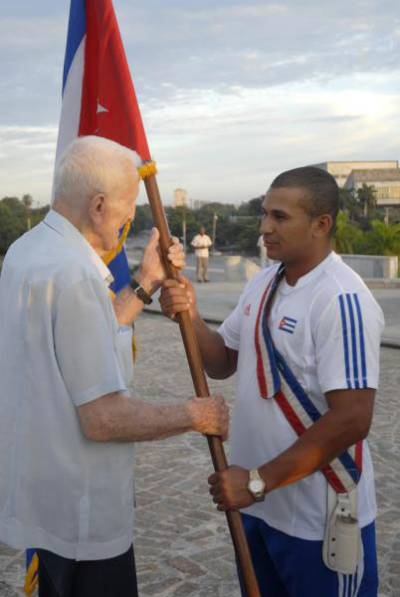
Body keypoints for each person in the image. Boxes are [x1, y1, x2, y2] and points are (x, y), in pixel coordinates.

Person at [0, 136, 229, 597]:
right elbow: (103, 419)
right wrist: (194, 414)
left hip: (48, 497)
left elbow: (80, 340)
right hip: (83, 513)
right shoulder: (76, 275)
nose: (130, 220)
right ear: (100, 204)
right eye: (128, 208)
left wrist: (146, 281)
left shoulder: (27, 251)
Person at [160, 166, 384, 596]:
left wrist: (257, 481)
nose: (264, 227)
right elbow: (222, 361)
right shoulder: (264, 282)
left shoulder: (343, 298)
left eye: (279, 217)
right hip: (259, 510)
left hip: (316, 520)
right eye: (264, 213)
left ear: (321, 224)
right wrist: (188, 311)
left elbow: (353, 419)